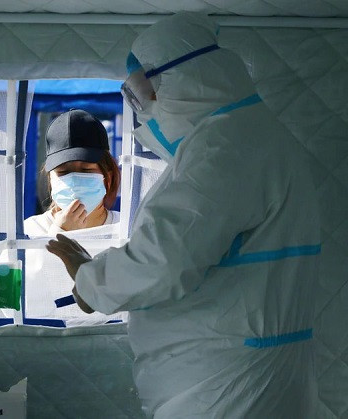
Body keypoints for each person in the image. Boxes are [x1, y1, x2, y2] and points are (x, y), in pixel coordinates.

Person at [46, 12, 321, 418]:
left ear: (184, 77)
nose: (145, 108)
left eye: (146, 90)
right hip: (242, 371)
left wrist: (91, 280)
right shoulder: (251, 133)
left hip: (228, 383)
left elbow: (165, 260)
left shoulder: (224, 147)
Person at [24, 109, 121, 237]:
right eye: (63, 171)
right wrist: (60, 233)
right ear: (51, 179)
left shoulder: (127, 230)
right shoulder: (30, 231)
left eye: (86, 170)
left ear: (107, 177)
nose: (74, 180)